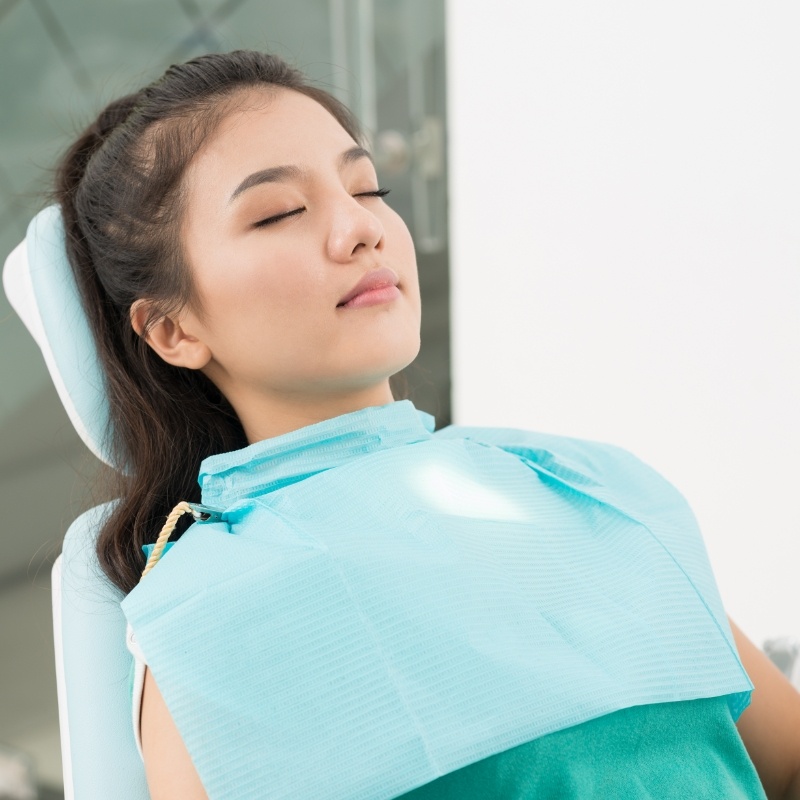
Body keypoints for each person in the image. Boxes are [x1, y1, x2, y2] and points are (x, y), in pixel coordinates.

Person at [52, 50, 800, 799]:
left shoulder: (581, 481)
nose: (359, 228)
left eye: (368, 188)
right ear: (172, 330)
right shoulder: (210, 610)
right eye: (279, 212)